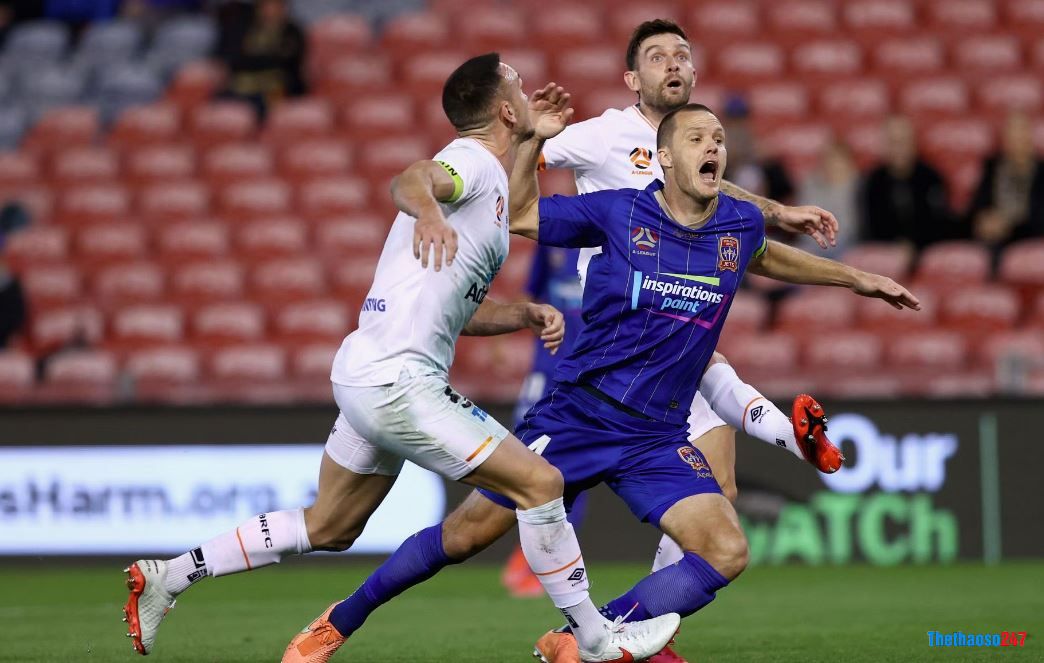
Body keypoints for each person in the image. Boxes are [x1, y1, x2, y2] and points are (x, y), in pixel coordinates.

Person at [123, 55, 681, 663]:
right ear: (502, 109)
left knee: (331, 526)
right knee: (541, 484)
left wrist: (521, 312)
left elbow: (473, 287)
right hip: (399, 382)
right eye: (519, 87)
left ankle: (167, 577)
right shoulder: (467, 162)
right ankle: (597, 639)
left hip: (366, 367)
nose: (528, 91)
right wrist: (431, 210)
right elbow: (410, 179)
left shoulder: (494, 183)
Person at [313, 103, 919, 663]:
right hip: (579, 414)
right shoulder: (619, 212)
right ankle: (339, 619)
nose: (713, 147)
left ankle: (589, 634)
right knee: (466, 534)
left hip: (656, 434)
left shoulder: (737, 222)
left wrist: (857, 279)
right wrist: (529, 143)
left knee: (727, 550)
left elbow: (765, 254)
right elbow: (521, 215)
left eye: (719, 139)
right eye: (697, 138)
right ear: (663, 158)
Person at [501, 244, 588, 598]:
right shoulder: (552, 244)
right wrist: (504, 339)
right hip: (545, 371)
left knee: (575, 470)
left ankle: (546, 559)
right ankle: (529, 552)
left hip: (588, 376)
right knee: (522, 458)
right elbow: (529, 295)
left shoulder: (616, 237)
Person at [861, 115, 955, 250]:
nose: (899, 148)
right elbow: (870, 227)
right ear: (885, 146)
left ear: (913, 143)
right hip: (885, 250)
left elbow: (939, 223)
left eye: (903, 141)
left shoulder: (931, 178)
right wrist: (896, 244)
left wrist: (914, 245)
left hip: (927, 248)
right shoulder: (873, 182)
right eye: (893, 142)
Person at [216, 0, 306, 120]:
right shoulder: (244, 28)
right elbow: (233, 59)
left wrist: (253, 59)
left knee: (263, 109)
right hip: (241, 87)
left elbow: (286, 63)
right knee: (219, 106)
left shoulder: (292, 31)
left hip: (275, 89)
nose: (271, 10)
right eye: (267, 5)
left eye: (276, 5)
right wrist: (264, 58)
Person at [968, 111, 1044, 250]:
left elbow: (1039, 217)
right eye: (1011, 135)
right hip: (994, 238)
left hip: (1029, 236)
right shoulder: (992, 166)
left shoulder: (1040, 171)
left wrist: (1009, 225)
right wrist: (984, 220)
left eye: (1020, 133)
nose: (1015, 140)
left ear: (1029, 137)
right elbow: (978, 205)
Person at [797, 138, 861, 256]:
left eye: (838, 159)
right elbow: (803, 221)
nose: (832, 163)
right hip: (811, 245)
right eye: (828, 158)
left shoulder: (858, 186)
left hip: (847, 246)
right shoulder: (811, 183)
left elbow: (852, 226)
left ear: (848, 162)